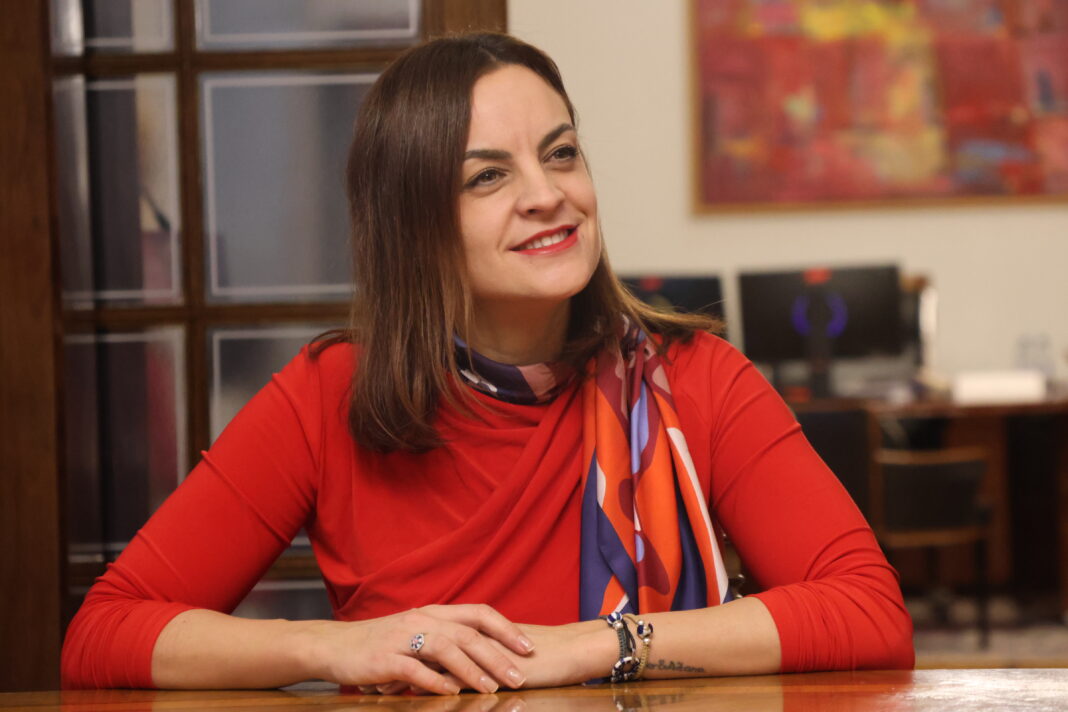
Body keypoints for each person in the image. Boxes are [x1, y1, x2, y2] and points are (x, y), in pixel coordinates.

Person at [61, 33, 913, 694]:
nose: (547, 195)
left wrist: (599, 644)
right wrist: (336, 647)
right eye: (486, 178)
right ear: (415, 225)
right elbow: (105, 633)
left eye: (560, 152)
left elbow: (869, 612)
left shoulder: (697, 379)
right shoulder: (329, 396)